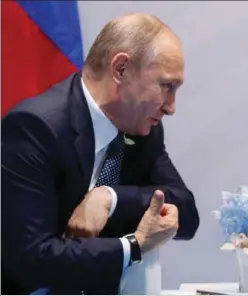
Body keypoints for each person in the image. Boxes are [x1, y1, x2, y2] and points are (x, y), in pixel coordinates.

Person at [1, 13, 200, 294]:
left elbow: (187, 214)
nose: (171, 107)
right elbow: (31, 259)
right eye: (166, 86)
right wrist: (134, 246)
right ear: (120, 69)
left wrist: (110, 198)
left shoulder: (141, 129)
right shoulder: (34, 128)